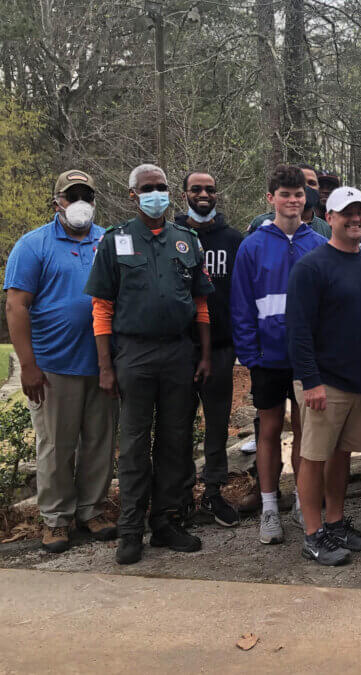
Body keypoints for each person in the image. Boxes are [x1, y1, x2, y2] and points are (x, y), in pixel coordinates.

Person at [84, 163, 214, 565]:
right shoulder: (114, 240)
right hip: (133, 354)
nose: (156, 194)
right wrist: (106, 367)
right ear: (133, 195)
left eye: (161, 187)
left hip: (178, 353)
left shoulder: (186, 240)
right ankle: (130, 530)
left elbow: (201, 304)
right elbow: (101, 308)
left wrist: (205, 354)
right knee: (135, 445)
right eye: (147, 188)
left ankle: (165, 522)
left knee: (175, 441)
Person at [3, 170, 118, 553]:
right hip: (53, 365)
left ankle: (92, 509)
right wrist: (28, 365)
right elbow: (16, 306)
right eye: (72, 196)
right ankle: (55, 519)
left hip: (103, 362)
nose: (79, 202)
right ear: (57, 201)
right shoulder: (33, 244)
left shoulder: (109, 241)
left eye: (86, 194)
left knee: (100, 441)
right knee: (56, 445)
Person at [287, 186, 361, 565]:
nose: (355, 219)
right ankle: (313, 534)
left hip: (360, 382)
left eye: (360, 212)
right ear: (328, 217)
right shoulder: (312, 267)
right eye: (346, 212)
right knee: (314, 456)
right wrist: (310, 381)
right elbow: (298, 331)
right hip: (323, 382)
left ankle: (335, 523)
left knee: (342, 455)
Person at [232, 165, 327, 546]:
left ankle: (305, 502)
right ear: (270, 198)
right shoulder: (253, 244)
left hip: (307, 359)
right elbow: (240, 305)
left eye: (299, 194)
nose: (292, 200)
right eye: (285, 194)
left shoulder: (317, 243)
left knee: (307, 433)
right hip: (267, 358)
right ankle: (270, 506)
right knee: (269, 430)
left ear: (307, 199)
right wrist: (250, 355)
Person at [175, 171, 243, 527]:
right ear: (184, 193)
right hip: (177, 349)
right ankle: (181, 495)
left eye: (210, 189)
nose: (204, 194)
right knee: (178, 425)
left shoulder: (233, 240)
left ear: (218, 194)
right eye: (196, 189)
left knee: (217, 425)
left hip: (219, 347)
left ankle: (213, 493)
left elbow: (244, 293)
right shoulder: (171, 237)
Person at [246, 164, 332, 238]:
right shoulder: (260, 223)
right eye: (301, 183)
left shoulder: (326, 229)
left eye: (311, 183)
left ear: (318, 189)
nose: (306, 187)